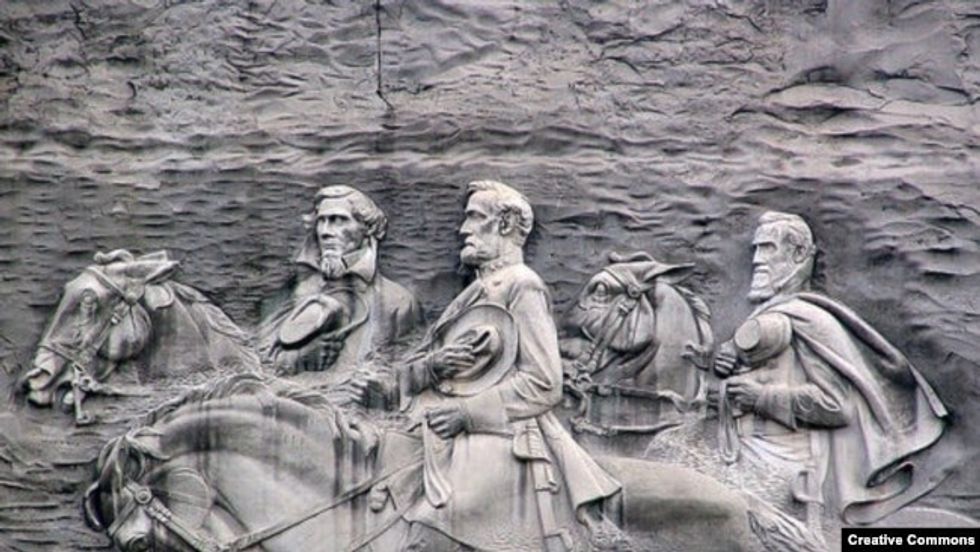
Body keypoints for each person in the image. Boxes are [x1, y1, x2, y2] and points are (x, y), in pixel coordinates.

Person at [349, 181, 625, 552]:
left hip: (501, 437)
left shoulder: (522, 286)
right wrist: (424, 371)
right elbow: (431, 363)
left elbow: (544, 382)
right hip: (440, 428)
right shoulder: (475, 291)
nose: (463, 230)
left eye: (475, 218)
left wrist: (466, 413)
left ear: (506, 226)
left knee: (429, 536)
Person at [699, 211, 947, 527]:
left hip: (783, 467)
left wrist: (759, 396)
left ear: (799, 254)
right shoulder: (769, 316)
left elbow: (835, 406)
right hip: (740, 451)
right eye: (756, 250)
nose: (757, 260)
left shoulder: (811, 320)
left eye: (768, 249)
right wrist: (726, 374)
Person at [258, 186, 422, 377]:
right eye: (322, 221)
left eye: (338, 220)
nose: (325, 232)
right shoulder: (299, 291)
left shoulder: (397, 302)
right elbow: (257, 365)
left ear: (368, 227)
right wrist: (300, 357)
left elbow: (409, 370)